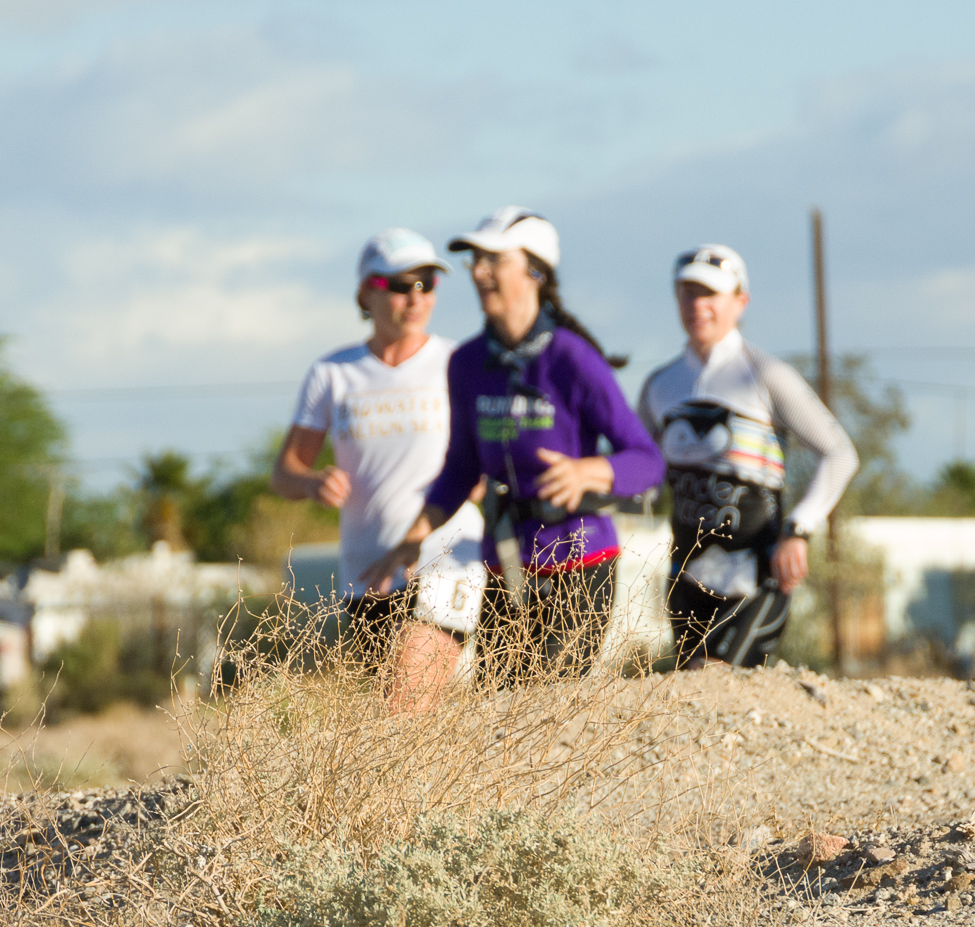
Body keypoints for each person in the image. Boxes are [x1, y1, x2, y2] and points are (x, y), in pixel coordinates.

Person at [363, 207, 662, 682]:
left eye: (493, 260)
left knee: (541, 708)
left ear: (535, 272)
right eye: (475, 260)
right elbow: (461, 468)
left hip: (580, 563)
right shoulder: (466, 363)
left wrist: (587, 472)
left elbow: (647, 460)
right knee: (497, 711)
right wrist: (412, 541)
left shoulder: (572, 358)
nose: (478, 272)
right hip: (505, 565)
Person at [271, 228, 487, 692]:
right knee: (391, 730)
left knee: (404, 704)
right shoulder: (333, 373)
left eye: (426, 284)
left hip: (446, 555)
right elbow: (283, 473)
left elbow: (489, 460)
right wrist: (312, 482)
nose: (415, 298)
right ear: (367, 292)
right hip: (368, 573)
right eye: (399, 285)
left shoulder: (460, 362)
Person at [637, 244, 859, 669]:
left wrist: (799, 530)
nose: (697, 305)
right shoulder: (659, 385)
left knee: (718, 681)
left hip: (756, 575)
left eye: (710, 295)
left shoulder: (765, 374)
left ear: (741, 302)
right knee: (691, 705)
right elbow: (633, 464)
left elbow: (839, 454)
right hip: (685, 576)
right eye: (687, 293)